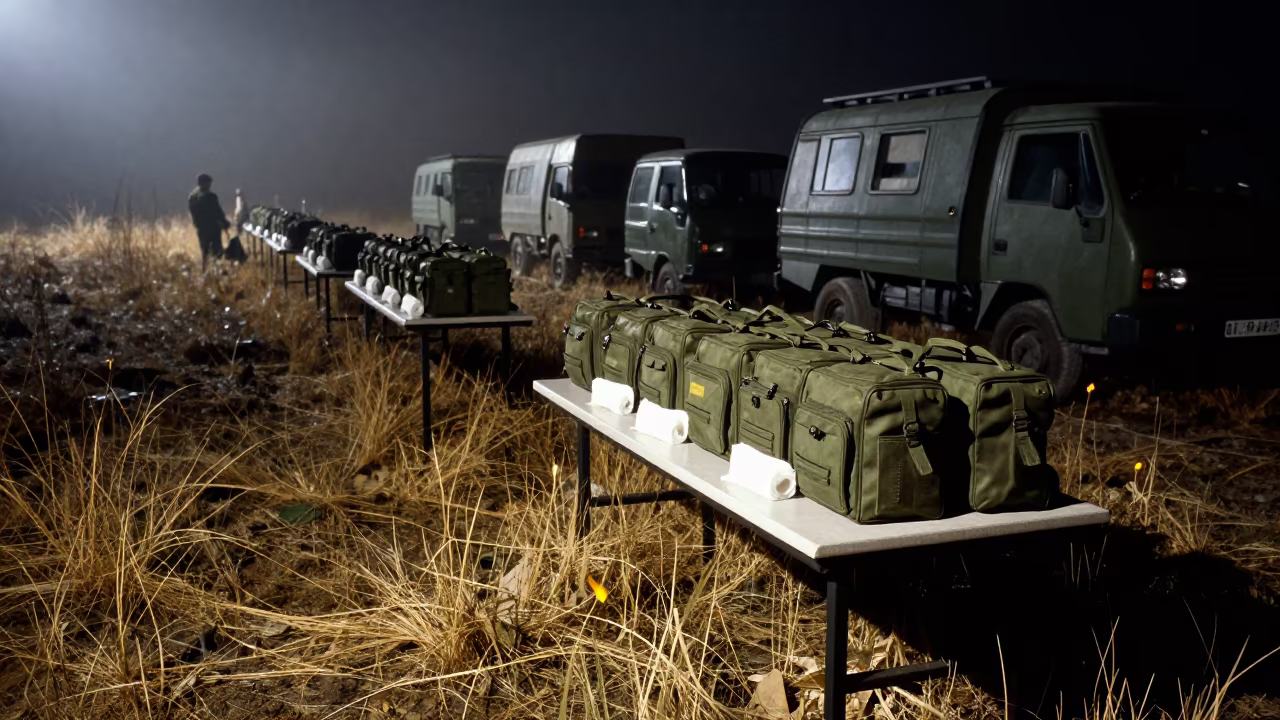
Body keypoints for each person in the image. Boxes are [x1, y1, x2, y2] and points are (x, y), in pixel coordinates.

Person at [188, 173, 229, 269]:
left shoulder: (192, 196)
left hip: (201, 228)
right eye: (209, 183)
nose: (210, 185)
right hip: (213, 227)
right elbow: (218, 212)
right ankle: (217, 269)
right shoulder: (210, 196)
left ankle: (205, 269)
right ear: (205, 183)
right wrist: (225, 223)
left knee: (205, 250)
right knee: (217, 250)